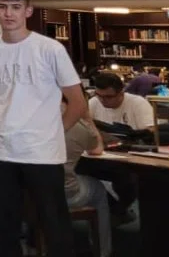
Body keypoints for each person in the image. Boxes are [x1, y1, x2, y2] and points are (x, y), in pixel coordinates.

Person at [0, 0, 87, 257]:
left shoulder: (50, 49)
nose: (8, 13)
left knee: (54, 224)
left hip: (42, 153)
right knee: (2, 227)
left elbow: (77, 102)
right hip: (1, 151)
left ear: (28, 11)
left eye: (16, 7)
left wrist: (55, 131)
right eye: (3, 7)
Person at [64, 87, 111, 257]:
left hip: (29, 191)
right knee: (99, 188)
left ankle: (34, 243)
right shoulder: (78, 125)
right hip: (65, 193)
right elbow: (97, 149)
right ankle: (103, 251)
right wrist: (87, 118)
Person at [88, 72, 155, 133]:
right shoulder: (94, 102)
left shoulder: (138, 103)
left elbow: (151, 130)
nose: (102, 100)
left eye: (108, 97)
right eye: (98, 95)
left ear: (121, 93)